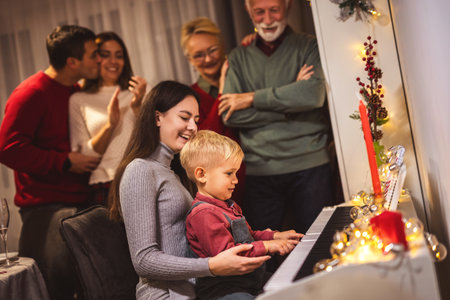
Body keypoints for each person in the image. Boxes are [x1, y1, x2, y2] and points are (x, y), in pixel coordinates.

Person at [108, 81, 270, 300]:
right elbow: (144, 261)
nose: (193, 127)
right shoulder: (140, 170)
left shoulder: (174, 172)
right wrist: (212, 265)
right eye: (184, 118)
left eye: (195, 119)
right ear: (157, 117)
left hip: (196, 290)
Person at [0, 25, 102, 299]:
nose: (100, 60)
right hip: (49, 213)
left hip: (81, 204)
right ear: (72, 62)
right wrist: (65, 162)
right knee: (57, 292)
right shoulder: (31, 93)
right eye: (94, 54)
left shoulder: (76, 91)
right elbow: (8, 149)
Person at [219, 0, 333, 237]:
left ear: (287, 7)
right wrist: (291, 97)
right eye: (260, 12)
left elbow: (312, 95)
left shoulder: (309, 46)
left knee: (318, 244)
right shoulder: (238, 58)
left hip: (311, 164)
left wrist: (251, 98)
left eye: (274, 10)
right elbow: (231, 114)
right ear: (249, 12)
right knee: (263, 255)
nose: (268, 19)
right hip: (260, 170)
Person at [180, 130, 302, 300]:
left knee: (292, 286)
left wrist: (275, 235)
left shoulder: (227, 206)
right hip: (224, 290)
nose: (236, 180)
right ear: (201, 174)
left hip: (249, 281)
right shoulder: (204, 214)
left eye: (236, 173)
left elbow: (249, 237)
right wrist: (268, 245)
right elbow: (230, 256)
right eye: (229, 173)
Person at [69, 31, 147, 204]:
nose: (113, 62)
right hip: (104, 185)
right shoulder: (79, 100)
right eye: (105, 55)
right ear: (96, 59)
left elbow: (153, 140)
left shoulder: (138, 93)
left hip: (140, 179)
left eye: (119, 56)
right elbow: (84, 156)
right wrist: (110, 125)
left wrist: (137, 107)